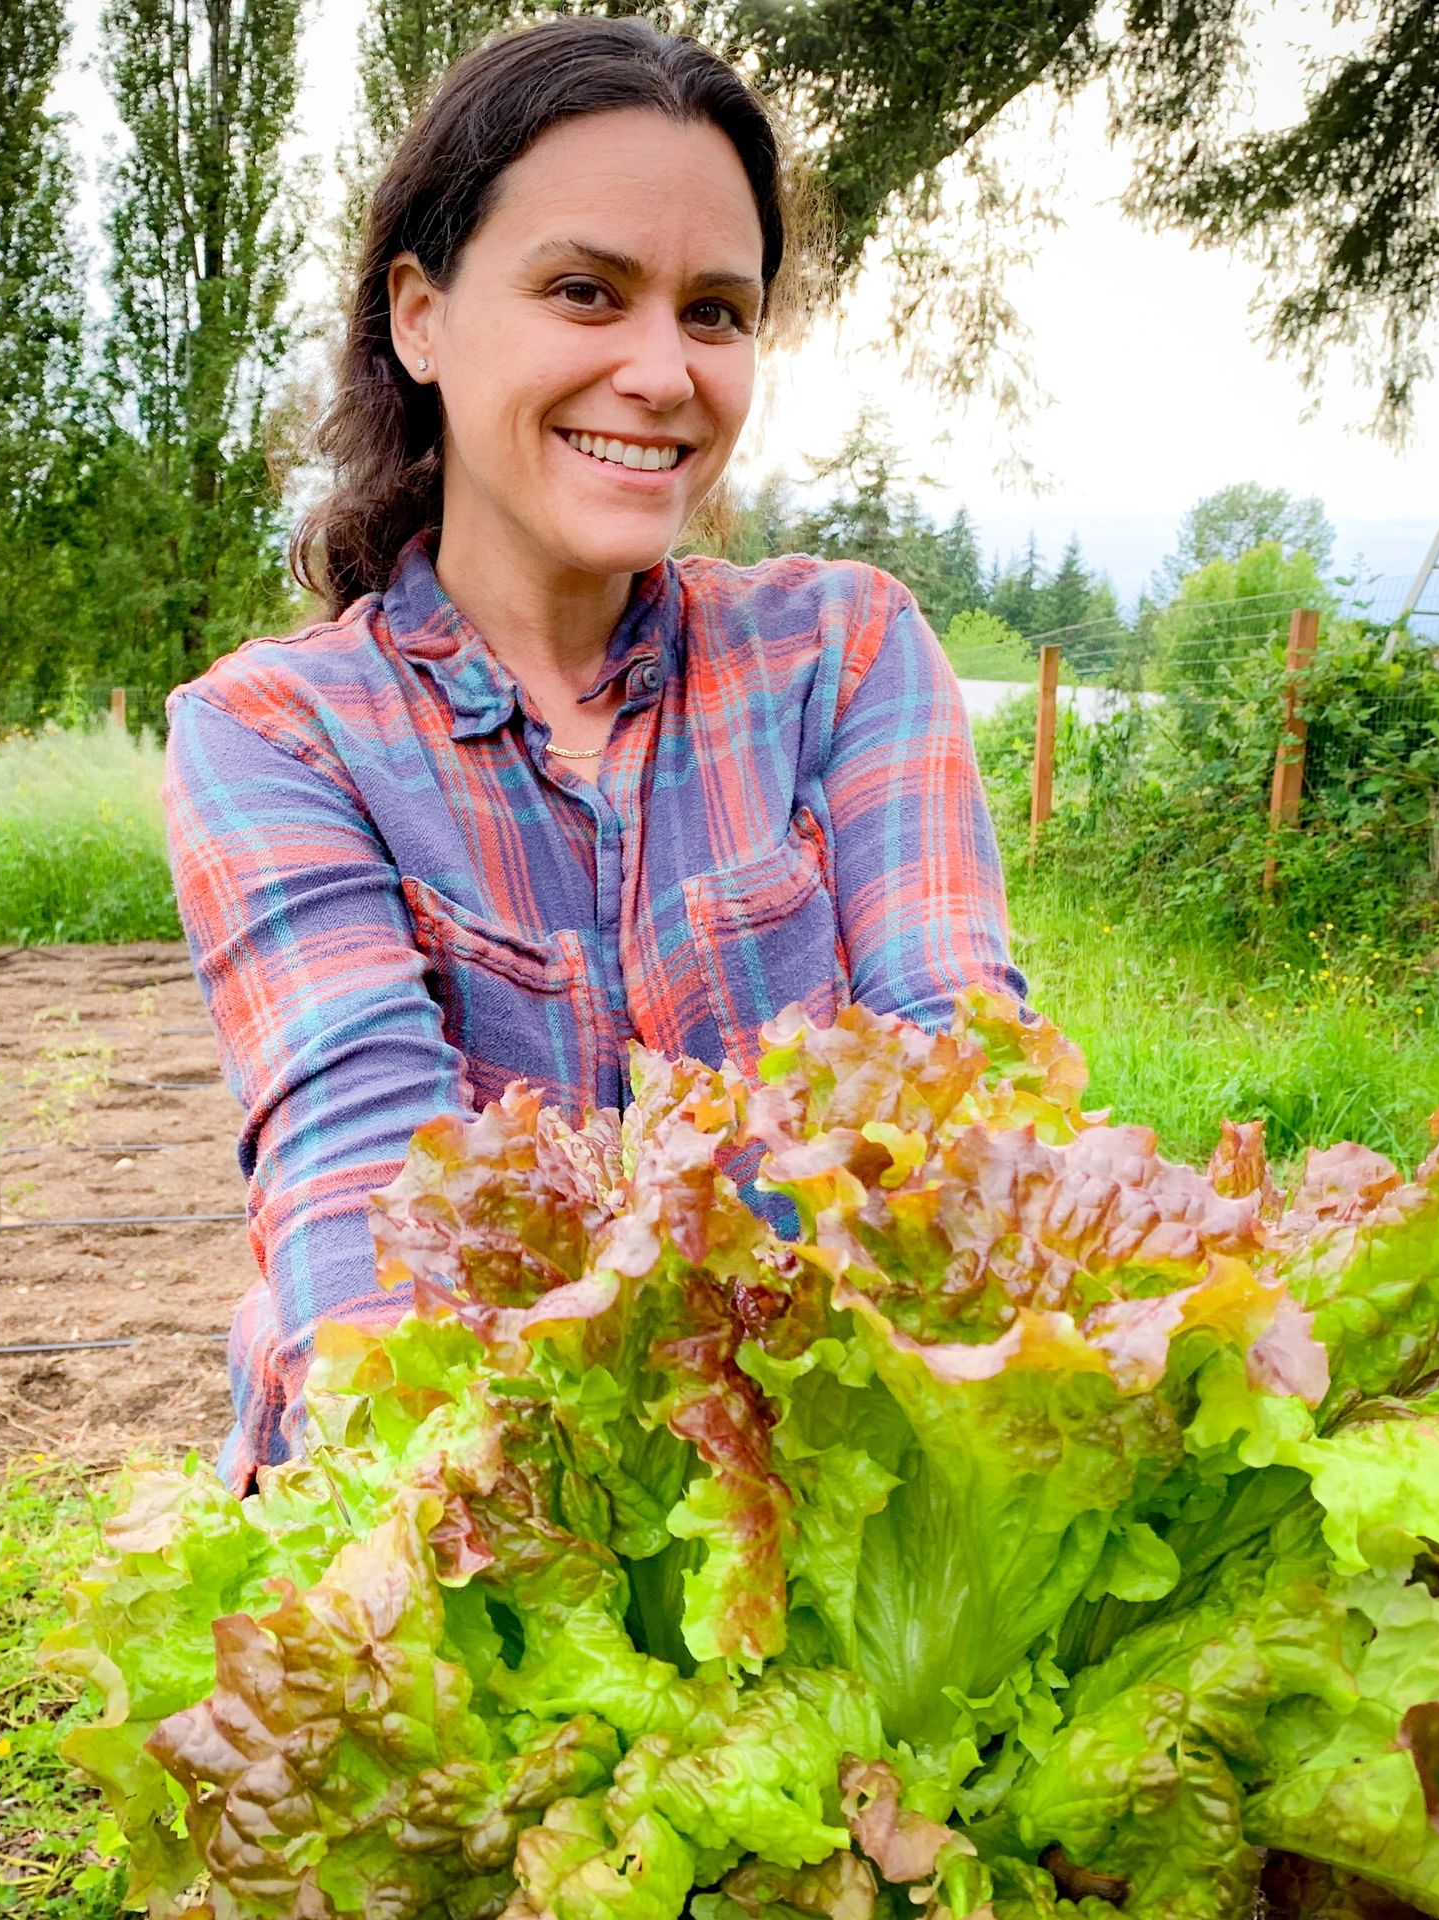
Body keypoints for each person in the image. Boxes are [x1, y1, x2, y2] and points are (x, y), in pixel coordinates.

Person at [164, 15, 1030, 1493]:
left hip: (820, 1496)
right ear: (422, 318)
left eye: (715, 312)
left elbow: (960, 1110)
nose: (661, 371)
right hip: (447, 1517)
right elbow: (366, 1212)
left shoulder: (849, 652)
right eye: (585, 292)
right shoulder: (275, 733)